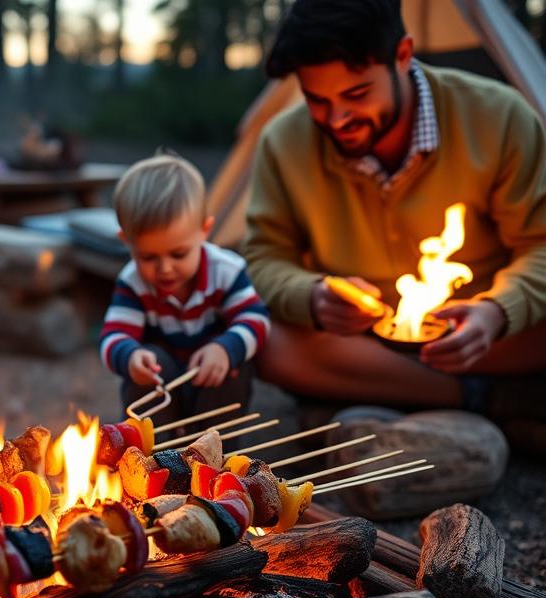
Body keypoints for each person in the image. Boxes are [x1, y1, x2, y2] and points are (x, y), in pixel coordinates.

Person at [242, 0, 546, 452]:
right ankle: (483, 399)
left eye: (357, 94)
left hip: (484, 338)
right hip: (358, 340)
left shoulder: (498, 117)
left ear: (403, 55)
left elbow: (540, 245)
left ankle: (377, 398)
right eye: (317, 100)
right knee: (259, 338)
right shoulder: (283, 142)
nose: (337, 118)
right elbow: (266, 256)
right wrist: (312, 295)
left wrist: (498, 312)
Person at [99, 154, 270, 427]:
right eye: (148, 257)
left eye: (178, 254)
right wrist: (131, 357)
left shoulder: (225, 270)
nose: (165, 268)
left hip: (211, 378)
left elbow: (257, 320)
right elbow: (112, 336)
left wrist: (226, 349)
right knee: (150, 361)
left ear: (204, 230)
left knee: (235, 369)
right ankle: (148, 456)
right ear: (126, 241)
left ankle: (215, 458)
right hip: (161, 383)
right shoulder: (132, 282)